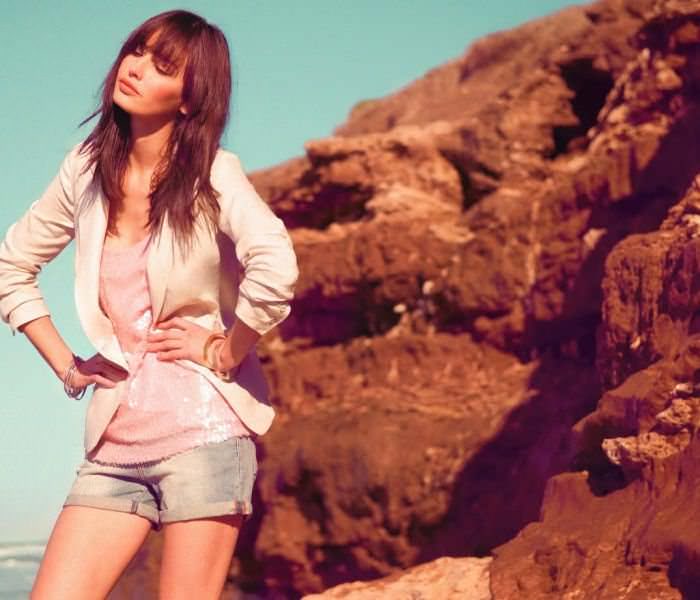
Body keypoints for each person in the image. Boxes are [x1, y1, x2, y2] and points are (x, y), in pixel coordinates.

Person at [0, 9, 299, 599]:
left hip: (205, 437)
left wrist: (227, 349)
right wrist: (67, 365)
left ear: (188, 100)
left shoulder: (213, 173)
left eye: (162, 66)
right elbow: (12, 265)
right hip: (114, 448)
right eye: (137, 50)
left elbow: (276, 267)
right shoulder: (85, 172)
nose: (135, 68)